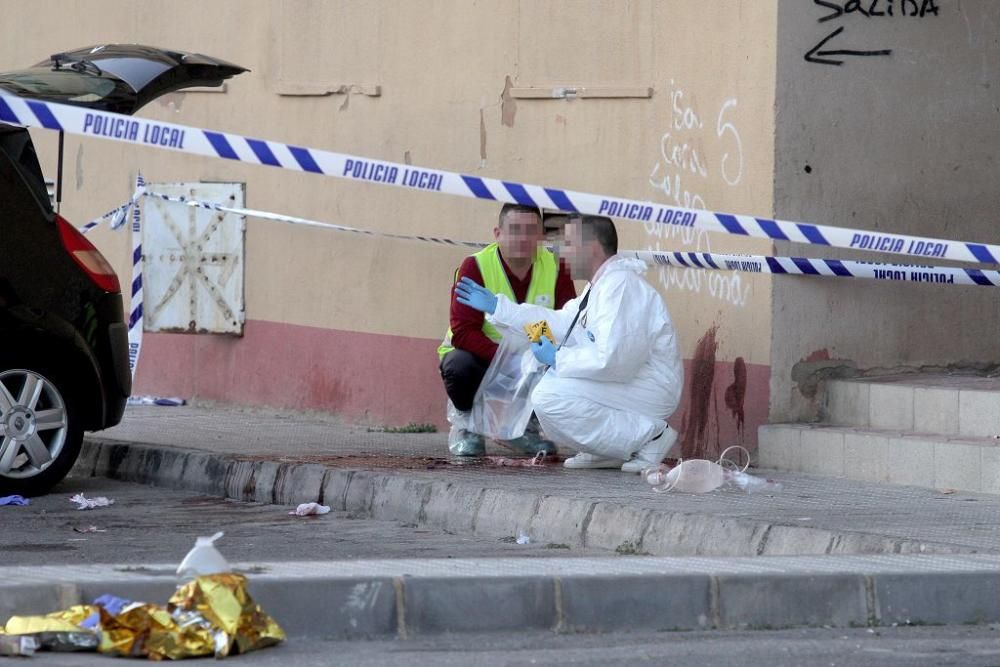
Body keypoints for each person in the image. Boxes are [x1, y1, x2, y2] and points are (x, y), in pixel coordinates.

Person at [455, 214, 683, 472]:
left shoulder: (620, 287)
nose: (562, 253)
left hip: (650, 386)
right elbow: (561, 322)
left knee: (549, 395)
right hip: (629, 382)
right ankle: (609, 450)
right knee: (547, 388)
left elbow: (615, 361)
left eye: (569, 244)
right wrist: (500, 308)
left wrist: (557, 359)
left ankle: (650, 436)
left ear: (592, 247)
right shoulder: (598, 287)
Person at [438, 203, 576, 456]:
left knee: (566, 364)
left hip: (533, 356)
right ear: (497, 233)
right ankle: (466, 425)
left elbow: (566, 324)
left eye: (530, 230)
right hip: (480, 356)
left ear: (541, 236)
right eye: (514, 230)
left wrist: (530, 358)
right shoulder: (475, 266)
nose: (522, 238)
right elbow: (463, 331)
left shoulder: (558, 267)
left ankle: (524, 428)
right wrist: (507, 360)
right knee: (459, 366)